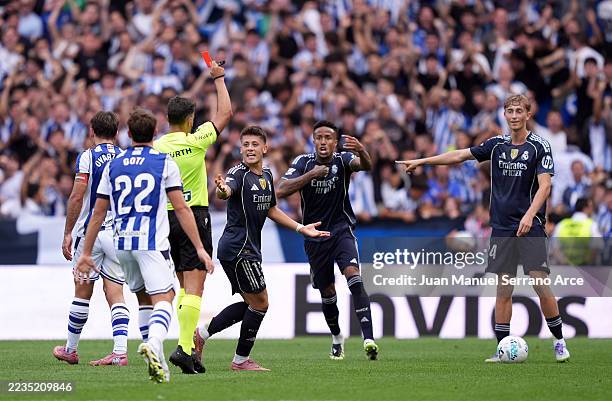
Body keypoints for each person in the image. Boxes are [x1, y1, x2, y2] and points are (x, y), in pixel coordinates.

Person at [396, 94, 571, 363]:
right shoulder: (497, 145)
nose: (513, 116)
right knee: (503, 288)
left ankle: (559, 342)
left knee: (540, 284)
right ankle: (503, 348)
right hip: (501, 228)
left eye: (518, 111)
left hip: (529, 226)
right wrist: (422, 161)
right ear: (504, 115)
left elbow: (545, 186)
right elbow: (460, 155)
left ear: (527, 114)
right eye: (509, 111)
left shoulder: (539, 146)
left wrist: (529, 215)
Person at [74, 109, 214, 383]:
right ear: (154, 134)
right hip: (151, 242)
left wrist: (87, 252)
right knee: (168, 297)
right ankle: (154, 345)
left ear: (128, 134)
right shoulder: (164, 162)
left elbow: (98, 212)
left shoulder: (115, 164)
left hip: (122, 242)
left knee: (144, 300)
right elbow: (183, 209)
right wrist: (199, 247)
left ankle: (158, 361)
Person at [194, 126, 329, 371]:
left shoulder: (266, 176)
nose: (249, 149)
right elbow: (227, 191)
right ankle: (240, 360)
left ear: (265, 148)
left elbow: (271, 209)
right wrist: (223, 189)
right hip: (238, 248)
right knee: (261, 303)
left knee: (251, 302)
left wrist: (301, 228)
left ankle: (202, 334)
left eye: (254, 144)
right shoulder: (238, 173)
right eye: (245, 144)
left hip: (245, 248)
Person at [152, 60, 231, 374]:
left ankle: (184, 347)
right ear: (189, 119)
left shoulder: (157, 147)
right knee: (196, 287)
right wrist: (219, 79)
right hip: (194, 216)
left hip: (165, 218)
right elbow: (225, 114)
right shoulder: (195, 140)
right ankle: (185, 348)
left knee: (185, 286)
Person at [276, 120, 379, 361]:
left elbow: (365, 165)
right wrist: (311, 175)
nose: (323, 142)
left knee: (353, 275)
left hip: (341, 231)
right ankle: (336, 337)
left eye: (328, 138)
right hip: (314, 235)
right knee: (328, 292)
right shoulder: (303, 163)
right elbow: (279, 190)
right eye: (319, 138)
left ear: (335, 141)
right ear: (314, 141)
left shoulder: (342, 161)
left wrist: (362, 150)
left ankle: (369, 339)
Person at [54, 111, 141, 366]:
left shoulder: (87, 157)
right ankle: (120, 351)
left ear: (92, 131)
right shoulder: (126, 158)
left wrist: (68, 231)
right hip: (119, 233)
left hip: (90, 233)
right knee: (116, 292)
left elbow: (77, 196)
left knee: (82, 291)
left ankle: (70, 349)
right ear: (116, 133)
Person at [552, 197, 603, 266]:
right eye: (591, 207)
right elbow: (596, 249)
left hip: (565, 269)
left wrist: (566, 263)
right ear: (586, 208)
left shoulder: (562, 224)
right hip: (586, 269)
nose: (592, 210)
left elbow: (555, 249)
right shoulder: (592, 225)